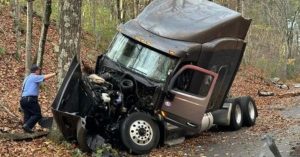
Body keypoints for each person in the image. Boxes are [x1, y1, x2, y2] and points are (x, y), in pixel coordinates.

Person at [20, 64, 57, 133]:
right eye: (39, 70)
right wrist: (55, 73)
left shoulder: (27, 78)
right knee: (37, 114)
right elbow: (45, 77)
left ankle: (26, 131)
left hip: (23, 99)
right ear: (36, 71)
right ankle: (27, 126)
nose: (40, 71)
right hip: (30, 99)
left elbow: (22, 90)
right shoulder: (34, 77)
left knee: (27, 115)